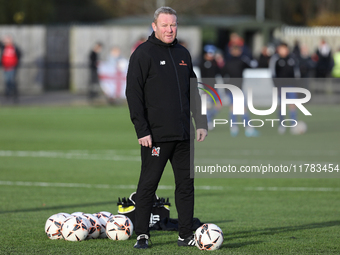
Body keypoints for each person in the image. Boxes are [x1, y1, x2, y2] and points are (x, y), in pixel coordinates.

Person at [126, 6, 207, 249]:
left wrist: (200, 122)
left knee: (186, 185)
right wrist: (142, 130)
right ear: (154, 26)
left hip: (183, 134)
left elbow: (193, 90)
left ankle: (184, 235)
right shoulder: (143, 54)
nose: (170, 29)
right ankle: (142, 234)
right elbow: (133, 95)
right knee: (148, 185)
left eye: (173, 25)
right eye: (165, 25)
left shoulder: (183, 53)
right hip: (156, 137)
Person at [221, 45, 259, 137]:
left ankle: (241, 127)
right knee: (236, 108)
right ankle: (241, 127)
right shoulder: (229, 61)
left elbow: (253, 66)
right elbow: (223, 74)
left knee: (239, 107)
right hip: (232, 87)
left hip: (239, 87)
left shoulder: (241, 60)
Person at [269, 42, 301, 134]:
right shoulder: (275, 59)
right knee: (282, 106)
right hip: (280, 87)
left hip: (291, 86)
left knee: (292, 105)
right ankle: (281, 125)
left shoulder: (292, 58)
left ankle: (293, 125)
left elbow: (296, 73)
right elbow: (273, 73)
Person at [0, 35, 21, 101]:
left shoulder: (14, 47)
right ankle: (8, 94)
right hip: (6, 67)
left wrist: (16, 64)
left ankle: (15, 95)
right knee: (7, 81)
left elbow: (19, 55)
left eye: (8, 40)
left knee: (11, 81)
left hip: (12, 67)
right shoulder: (4, 47)